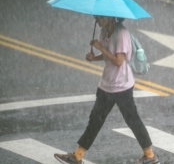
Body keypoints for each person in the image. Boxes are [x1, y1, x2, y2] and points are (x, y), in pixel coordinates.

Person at [54, 16, 160, 164]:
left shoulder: (122, 34)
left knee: (133, 121)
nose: (97, 20)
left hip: (122, 86)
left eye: (100, 18)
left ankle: (150, 156)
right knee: (95, 120)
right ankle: (77, 156)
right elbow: (106, 56)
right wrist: (94, 57)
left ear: (110, 17)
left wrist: (100, 47)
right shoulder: (103, 32)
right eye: (96, 17)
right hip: (106, 85)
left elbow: (118, 61)